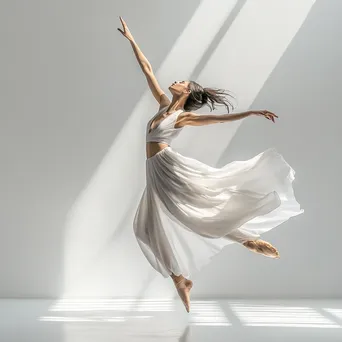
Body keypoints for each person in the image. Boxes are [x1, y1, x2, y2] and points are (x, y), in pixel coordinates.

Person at [118, 17, 303, 313]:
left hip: (169, 168)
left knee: (201, 210)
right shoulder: (164, 105)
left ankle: (246, 239)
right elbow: (148, 70)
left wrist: (250, 113)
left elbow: (218, 119)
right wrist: (131, 40)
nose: (175, 81)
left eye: (182, 82)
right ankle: (182, 280)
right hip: (154, 171)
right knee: (144, 228)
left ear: (188, 91)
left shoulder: (181, 117)